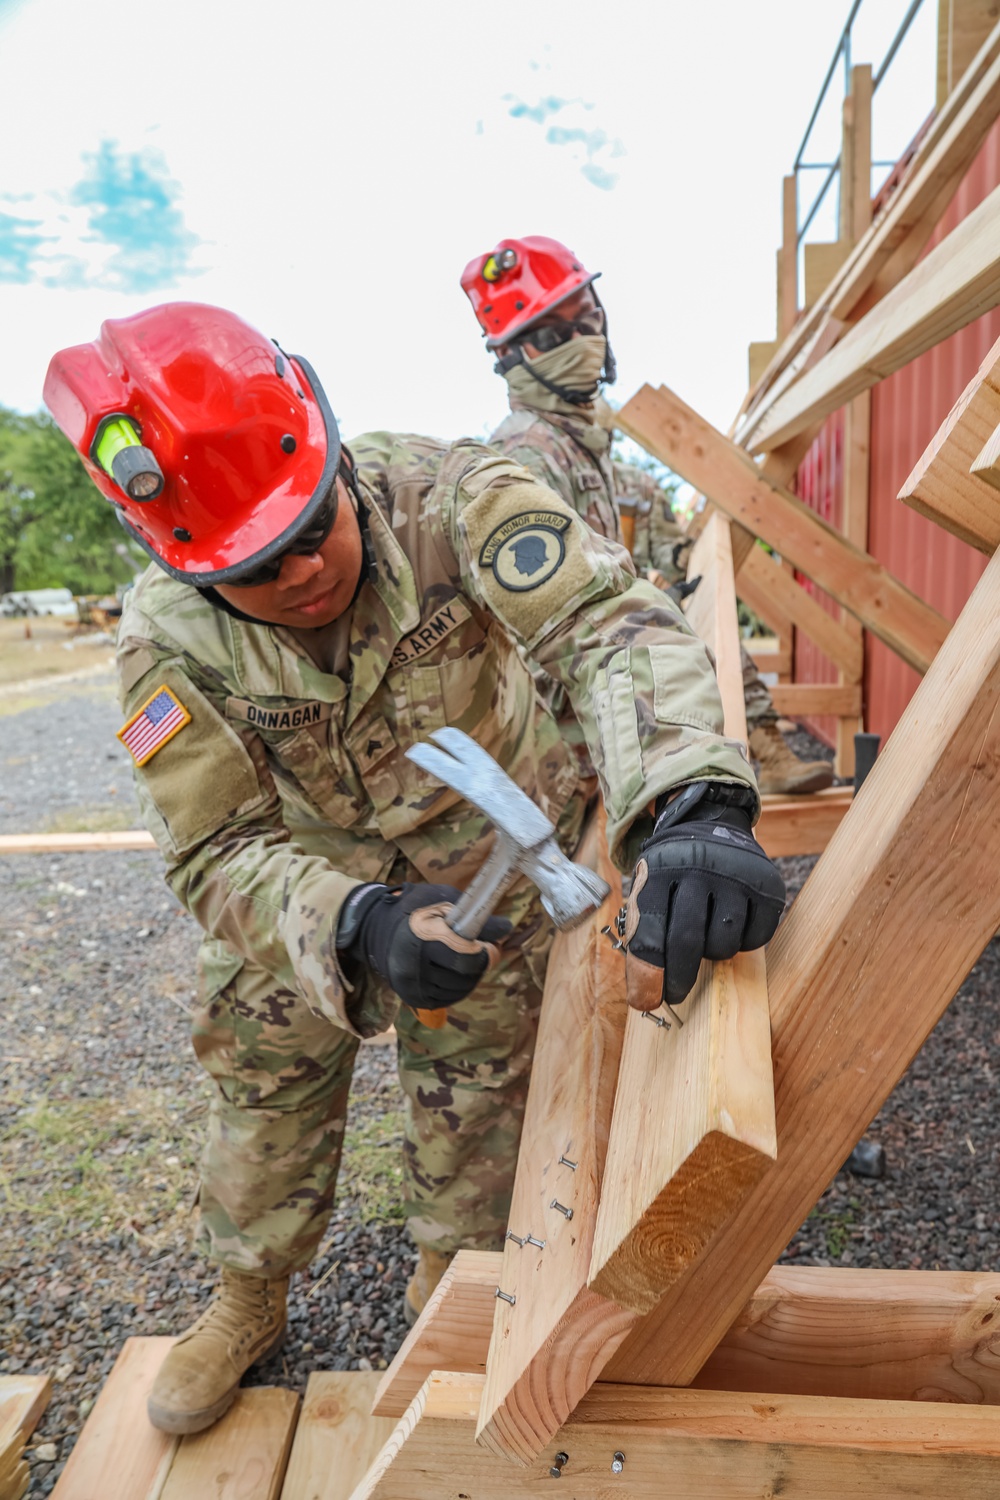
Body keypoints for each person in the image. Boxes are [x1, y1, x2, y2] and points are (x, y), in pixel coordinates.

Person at [44, 302, 785, 1436]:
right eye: (254, 568)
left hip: (488, 849)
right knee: (261, 1092)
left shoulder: (455, 495)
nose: (299, 575)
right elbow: (212, 850)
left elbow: (605, 624)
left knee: (484, 1106)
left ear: (336, 459)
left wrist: (690, 797)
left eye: (312, 530)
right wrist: (353, 923)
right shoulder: (164, 639)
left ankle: (451, 1291)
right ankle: (249, 1293)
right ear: (182, 565)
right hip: (304, 884)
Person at [461, 236, 834, 797]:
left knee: (690, 593)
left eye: (586, 319)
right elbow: (547, 641)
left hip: (612, 700)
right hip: (572, 738)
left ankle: (758, 742)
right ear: (509, 357)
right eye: (552, 335)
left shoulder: (588, 445)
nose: (581, 340)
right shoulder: (527, 457)